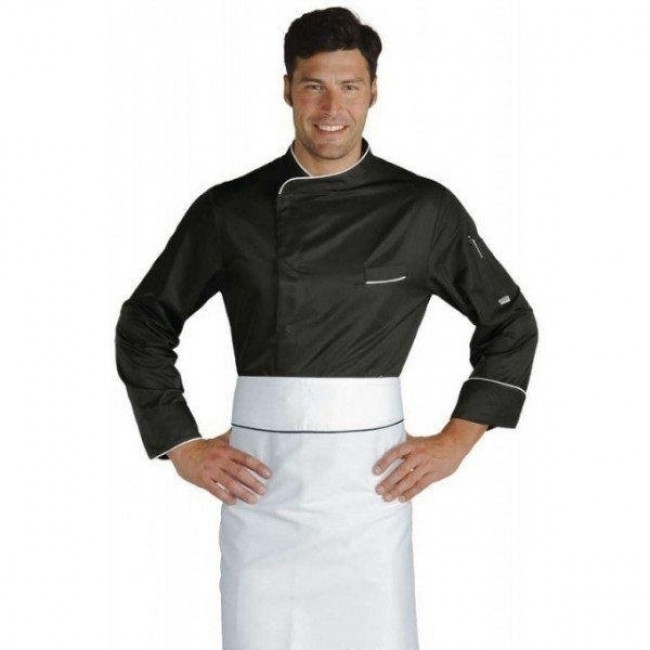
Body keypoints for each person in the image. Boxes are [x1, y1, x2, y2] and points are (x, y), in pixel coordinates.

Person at [115, 7, 539, 649]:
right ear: (287, 88)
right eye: (313, 85)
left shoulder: (422, 209)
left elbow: (510, 322)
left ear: (374, 92)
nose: (331, 107)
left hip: (371, 491)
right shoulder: (229, 210)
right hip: (262, 486)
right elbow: (144, 322)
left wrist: (457, 439)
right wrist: (182, 445)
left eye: (349, 86)